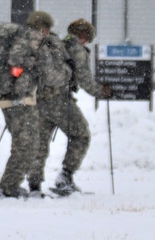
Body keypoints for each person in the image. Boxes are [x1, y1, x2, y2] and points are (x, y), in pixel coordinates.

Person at [29, 18, 110, 196]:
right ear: (83, 37)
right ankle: (65, 177)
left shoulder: (55, 45)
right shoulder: (76, 49)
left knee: (39, 144)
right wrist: (102, 92)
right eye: (88, 38)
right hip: (59, 101)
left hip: (39, 99)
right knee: (81, 135)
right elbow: (85, 80)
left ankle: (34, 185)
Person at [0, 10, 50, 198]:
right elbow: (17, 62)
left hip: (13, 97)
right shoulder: (33, 39)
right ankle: (9, 186)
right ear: (44, 28)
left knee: (23, 144)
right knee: (28, 145)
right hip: (20, 99)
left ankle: (9, 184)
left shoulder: (20, 37)